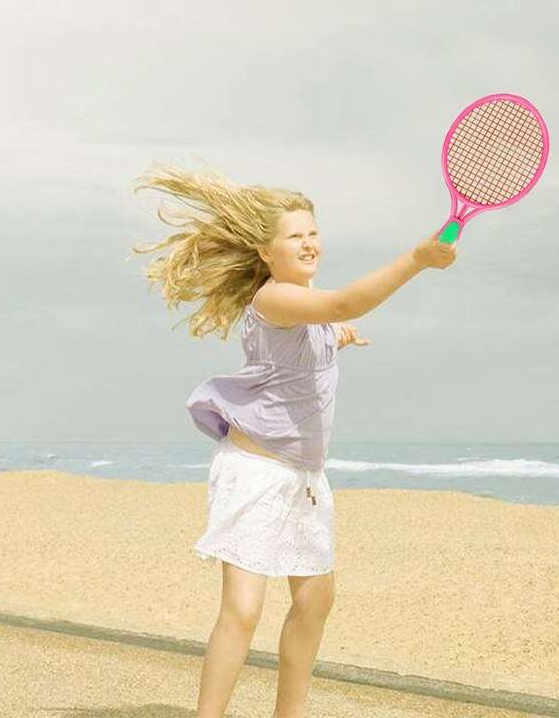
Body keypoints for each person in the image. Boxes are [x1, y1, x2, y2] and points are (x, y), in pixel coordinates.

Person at [130, 163, 457, 718]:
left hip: (304, 478)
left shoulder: (308, 312)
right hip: (255, 473)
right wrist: (417, 261)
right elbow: (339, 305)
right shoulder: (274, 299)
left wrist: (340, 338)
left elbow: (328, 323)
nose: (308, 243)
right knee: (243, 608)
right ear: (265, 252)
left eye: (313, 233)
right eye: (294, 236)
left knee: (315, 599)